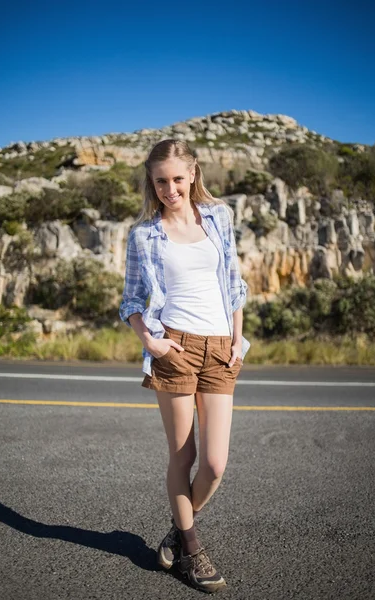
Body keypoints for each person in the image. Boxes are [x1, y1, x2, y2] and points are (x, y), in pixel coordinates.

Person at [119, 139, 250, 594]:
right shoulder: (143, 235)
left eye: (177, 178)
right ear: (151, 183)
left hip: (220, 347)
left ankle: (177, 529)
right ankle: (192, 550)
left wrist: (237, 338)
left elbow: (234, 282)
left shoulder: (219, 218)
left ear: (193, 174)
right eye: (160, 181)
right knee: (185, 456)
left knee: (215, 463)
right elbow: (132, 299)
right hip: (174, 346)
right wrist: (150, 342)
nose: (170, 188)